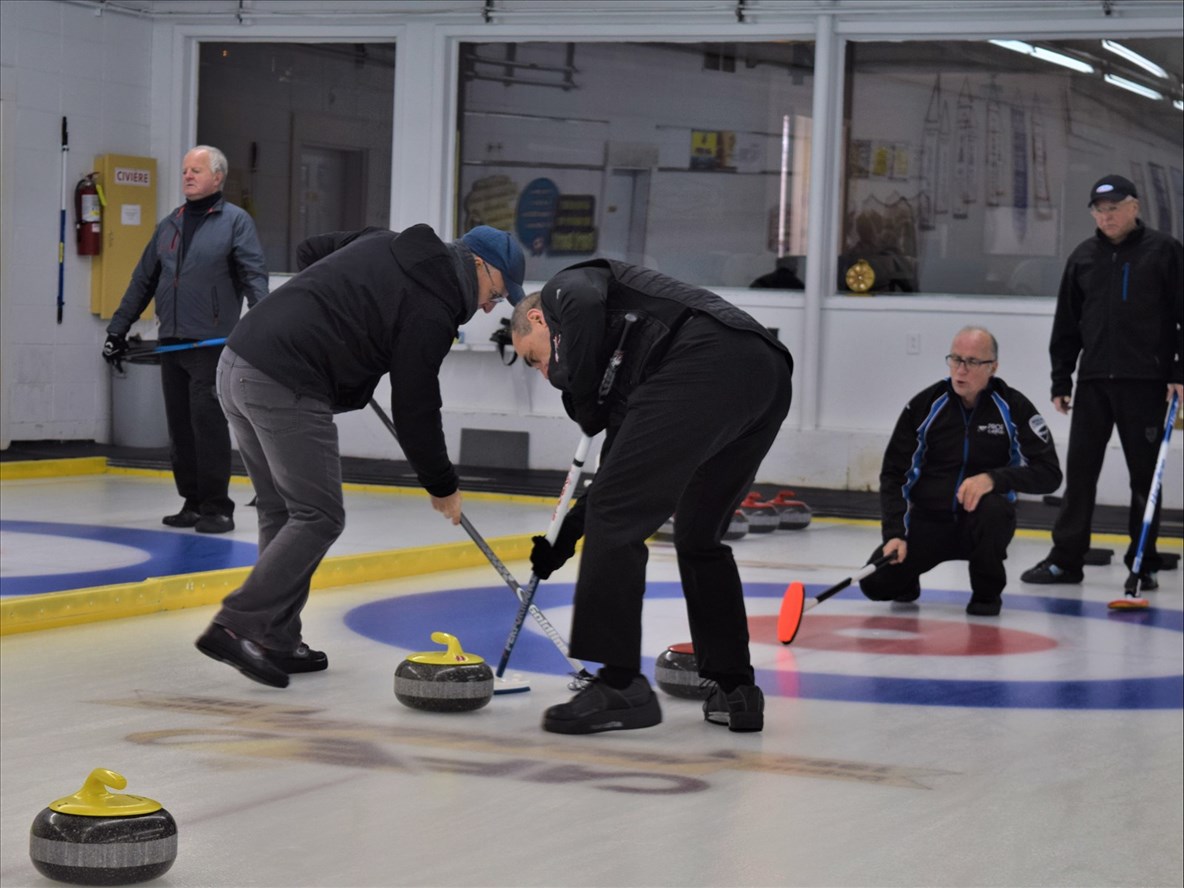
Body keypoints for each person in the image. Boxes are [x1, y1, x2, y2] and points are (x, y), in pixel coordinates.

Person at [194, 224, 526, 688]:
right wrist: (442, 484)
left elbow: (312, 245)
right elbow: (415, 405)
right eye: (497, 290)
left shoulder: (385, 240)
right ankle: (238, 624)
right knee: (318, 515)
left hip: (239, 362)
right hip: (284, 379)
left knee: (283, 509)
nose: (492, 305)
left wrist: (340, 312)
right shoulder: (432, 307)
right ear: (478, 265)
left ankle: (275, 637)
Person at [511, 260, 793, 735]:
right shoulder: (625, 366)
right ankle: (735, 688)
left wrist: (582, 402)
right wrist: (565, 539)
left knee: (618, 516)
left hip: (704, 357)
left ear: (538, 321)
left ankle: (620, 685)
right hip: (763, 372)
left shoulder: (564, 290)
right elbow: (619, 478)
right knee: (699, 533)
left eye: (533, 358)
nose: (543, 372)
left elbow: (580, 302)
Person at [1021, 174, 1183, 589]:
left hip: (1145, 382)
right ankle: (1066, 560)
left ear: (1135, 207)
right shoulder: (1083, 257)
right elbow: (1066, 325)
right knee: (1080, 475)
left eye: (1114, 209)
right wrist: (1062, 379)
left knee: (1145, 477)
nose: (1106, 217)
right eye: (1099, 210)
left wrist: (1179, 373)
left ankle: (1141, 560)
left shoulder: (1165, 252)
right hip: (1093, 382)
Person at [102, 145, 268, 534]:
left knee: (206, 423)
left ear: (218, 177)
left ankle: (217, 508)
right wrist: (117, 330)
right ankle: (192, 502)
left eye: (196, 170)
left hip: (210, 345)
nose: (188, 176)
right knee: (179, 426)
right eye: (185, 171)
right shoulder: (170, 224)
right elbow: (142, 281)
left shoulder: (235, 222)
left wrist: (266, 327)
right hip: (172, 342)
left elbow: (253, 276)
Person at [860, 327, 1062, 616]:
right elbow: (894, 474)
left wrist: (994, 479)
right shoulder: (925, 405)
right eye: (955, 359)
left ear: (993, 367)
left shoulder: (1014, 407)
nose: (961, 370)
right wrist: (894, 533)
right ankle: (908, 577)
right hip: (929, 520)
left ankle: (986, 593)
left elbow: (1049, 474)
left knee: (993, 510)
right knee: (876, 584)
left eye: (971, 362)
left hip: (980, 521)